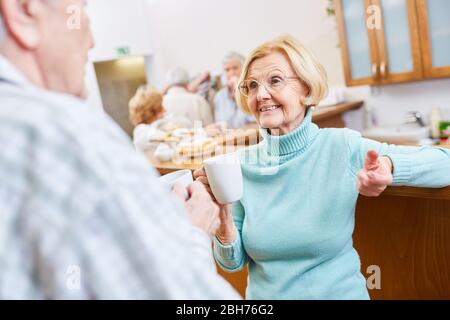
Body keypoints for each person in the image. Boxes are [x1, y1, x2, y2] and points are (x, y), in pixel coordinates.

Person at [0, 0, 240, 299]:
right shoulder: (64, 133)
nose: (91, 40)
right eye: (81, 9)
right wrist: (192, 232)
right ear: (24, 10)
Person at [194, 34, 450, 300]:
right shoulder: (239, 164)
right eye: (252, 85)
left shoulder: (341, 146)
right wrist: (222, 212)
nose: (261, 94)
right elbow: (232, 263)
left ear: (306, 88)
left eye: (275, 81)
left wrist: (388, 164)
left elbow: (445, 162)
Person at [129, 85, 223, 151]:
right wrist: (202, 132)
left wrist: (202, 131)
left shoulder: (159, 124)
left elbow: (179, 130)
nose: (164, 109)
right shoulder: (141, 131)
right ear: (153, 110)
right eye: (160, 106)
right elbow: (170, 138)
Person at [213, 52, 254, 129]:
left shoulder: (252, 91)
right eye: (227, 70)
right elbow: (219, 124)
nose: (231, 73)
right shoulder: (219, 96)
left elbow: (255, 121)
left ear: (244, 69)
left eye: (235, 68)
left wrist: (239, 89)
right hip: (228, 139)